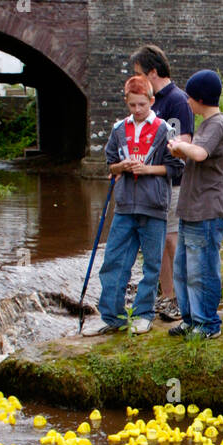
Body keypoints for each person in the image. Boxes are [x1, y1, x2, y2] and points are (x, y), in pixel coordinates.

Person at [93, 76, 184, 335]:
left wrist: (146, 169)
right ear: (126, 102)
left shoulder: (164, 129)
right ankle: (112, 316)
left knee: (152, 264)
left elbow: (176, 167)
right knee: (113, 261)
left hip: (154, 206)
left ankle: (144, 313)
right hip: (124, 206)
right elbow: (110, 164)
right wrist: (120, 167)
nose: (136, 110)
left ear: (152, 101)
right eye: (132, 105)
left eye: (141, 105)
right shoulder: (118, 129)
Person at [167, 70, 223, 339]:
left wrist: (180, 146)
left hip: (206, 212)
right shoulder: (207, 125)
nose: (187, 102)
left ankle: (208, 324)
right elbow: (198, 160)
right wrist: (181, 151)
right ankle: (190, 319)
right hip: (191, 211)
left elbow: (200, 152)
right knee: (182, 270)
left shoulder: (216, 124)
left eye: (190, 97)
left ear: (200, 99)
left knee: (201, 271)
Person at [130, 45, 193, 323]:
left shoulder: (177, 99)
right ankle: (167, 296)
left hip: (174, 183)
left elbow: (185, 141)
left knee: (172, 240)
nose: (137, 80)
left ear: (153, 72)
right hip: (152, 183)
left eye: (139, 74)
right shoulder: (150, 100)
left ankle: (180, 298)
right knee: (158, 242)